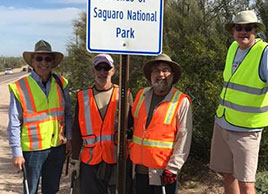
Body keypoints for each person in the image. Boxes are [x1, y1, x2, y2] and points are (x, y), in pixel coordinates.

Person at [209, 10, 268, 194]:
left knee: (246, 183)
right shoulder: (233, 48)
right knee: (227, 175)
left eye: (248, 28)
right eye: (238, 28)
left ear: (255, 30)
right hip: (223, 122)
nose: (243, 32)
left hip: (246, 130)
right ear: (233, 30)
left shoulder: (265, 52)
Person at [7, 40, 73, 194]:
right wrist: (16, 152)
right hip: (32, 150)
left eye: (48, 59)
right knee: (30, 190)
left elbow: (68, 115)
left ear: (53, 63)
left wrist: (69, 139)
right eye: (39, 58)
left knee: (51, 190)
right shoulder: (20, 87)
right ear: (32, 61)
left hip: (56, 147)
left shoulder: (61, 83)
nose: (43, 63)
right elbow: (14, 122)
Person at [130, 54, 193, 194]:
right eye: (156, 70)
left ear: (172, 75)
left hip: (164, 174)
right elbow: (132, 125)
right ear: (151, 75)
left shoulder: (181, 101)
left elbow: (184, 138)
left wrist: (173, 169)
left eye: (165, 70)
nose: (160, 74)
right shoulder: (141, 95)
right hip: (139, 171)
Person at [71, 53, 133, 194]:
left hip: (117, 159)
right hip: (90, 162)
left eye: (106, 68)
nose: (103, 72)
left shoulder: (124, 94)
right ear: (93, 71)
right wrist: (75, 159)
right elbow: (76, 130)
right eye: (99, 68)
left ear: (113, 71)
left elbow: (132, 127)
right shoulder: (83, 97)